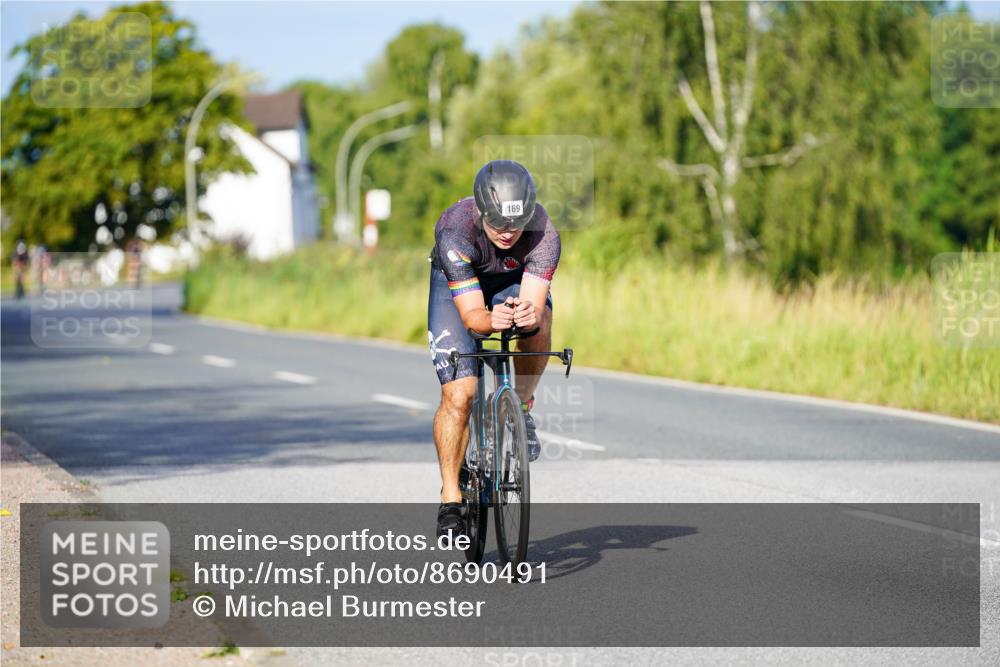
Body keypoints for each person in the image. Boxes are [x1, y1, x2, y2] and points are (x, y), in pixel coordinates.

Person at [427, 160, 561, 537]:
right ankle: (451, 496)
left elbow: (533, 310)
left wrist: (523, 315)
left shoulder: (545, 233)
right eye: (498, 223)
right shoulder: (455, 230)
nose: (507, 233)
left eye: (516, 225)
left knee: (541, 323)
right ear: (480, 212)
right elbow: (471, 316)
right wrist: (491, 319)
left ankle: (520, 404)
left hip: (513, 281)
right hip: (458, 287)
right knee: (460, 395)